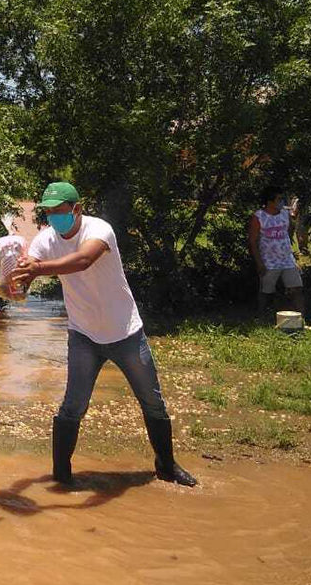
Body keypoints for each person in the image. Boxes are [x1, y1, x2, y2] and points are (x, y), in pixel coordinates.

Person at [11, 182, 196, 488]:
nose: (55, 217)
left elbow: (81, 261)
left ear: (77, 209)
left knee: (151, 402)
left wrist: (37, 269)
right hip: (83, 334)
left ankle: (166, 466)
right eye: (50, 212)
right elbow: (28, 268)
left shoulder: (100, 231)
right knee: (72, 407)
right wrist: (13, 274)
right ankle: (61, 477)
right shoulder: (47, 239)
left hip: (125, 332)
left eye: (60, 211)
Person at [248, 186, 303, 314]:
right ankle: (261, 317)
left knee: (296, 288)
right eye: (279, 199)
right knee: (266, 291)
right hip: (269, 261)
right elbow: (253, 241)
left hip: (287, 260)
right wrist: (259, 263)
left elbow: (288, 233)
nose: (282, 203)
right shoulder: (259, 216)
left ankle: (301, 318)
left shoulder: (285, 214)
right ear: (270, 201)